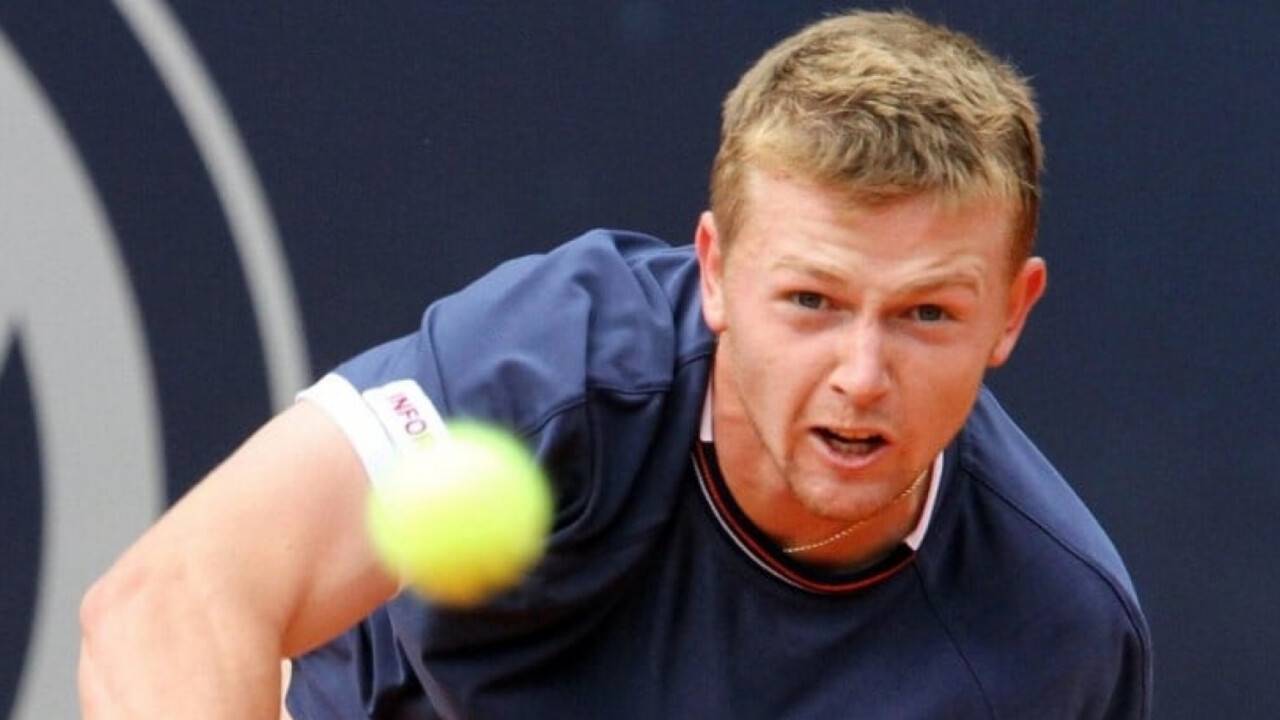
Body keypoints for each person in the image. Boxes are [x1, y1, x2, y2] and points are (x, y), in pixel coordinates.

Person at [79, 10, 1151, 719]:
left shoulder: (1055, 633)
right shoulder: (559, 369)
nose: (862, 374)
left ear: (1011, 313)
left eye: (924, 313)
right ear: (714, 272)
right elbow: (169, 605)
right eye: (810, 301)